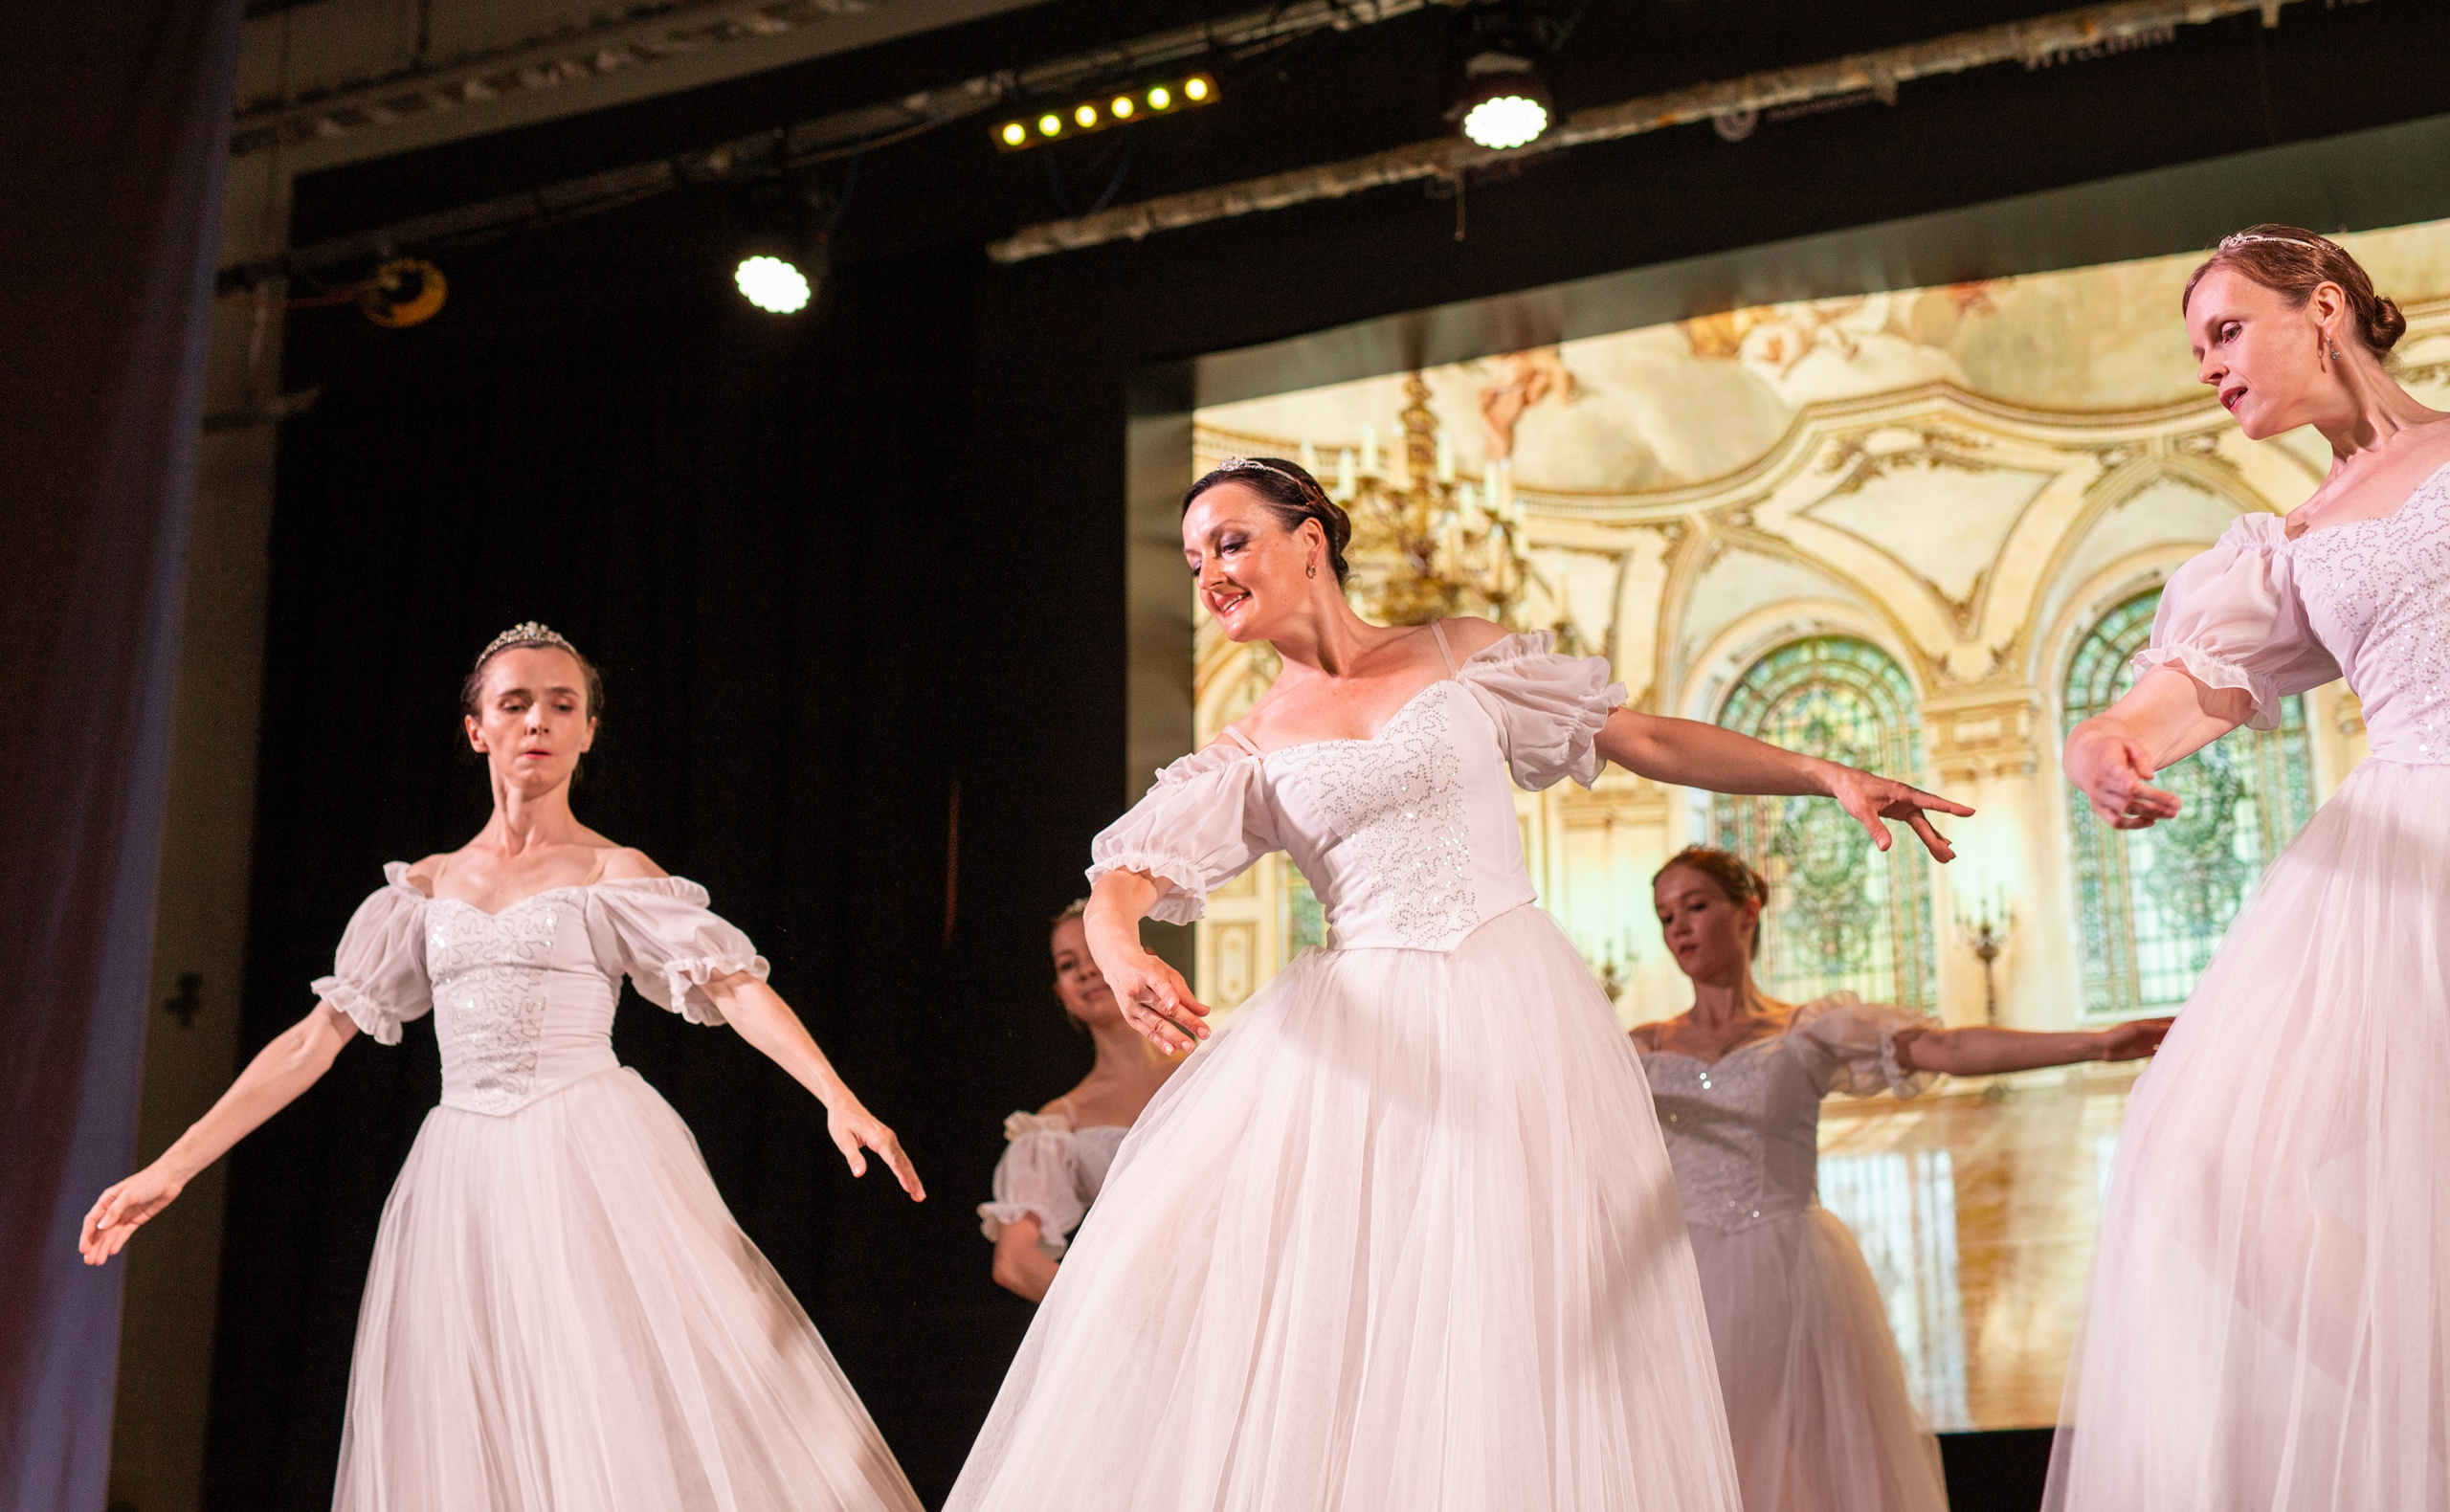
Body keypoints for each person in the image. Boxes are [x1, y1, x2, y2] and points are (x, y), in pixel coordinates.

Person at [946, 456, 1973, 1511]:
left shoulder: (1463, 652)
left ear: (1310, 540)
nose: (1209, 569)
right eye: (1195, 554)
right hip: (1363, 1044)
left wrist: (1825, 772)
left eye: (1231, 540)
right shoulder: (1249, 745)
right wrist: (1117, 944)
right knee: (1363, 1322)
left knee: (1516, 1315)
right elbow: (1123, 872)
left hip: (1510, 1014)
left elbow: (1650, 737)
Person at [79, 623, 927, 1512]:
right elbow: (311, 1041)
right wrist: (172, 1167)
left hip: (587, 1155)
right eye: (515, 704)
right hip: (463, 1176)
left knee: (606, 1403)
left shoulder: (611, 872)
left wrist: (837, 1095)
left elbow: (736, 987)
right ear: (477, 728)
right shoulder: (423, 890)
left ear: (589, 730)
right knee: (472, 1427)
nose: (539, 723)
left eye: (563, 706)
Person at [2047, 228, 2450, 1510]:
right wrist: (2103, 745)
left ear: (2323, 307)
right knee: (2203, 1159)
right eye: (2197, 351)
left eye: (2225, 332)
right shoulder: (2286, 540)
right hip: (2405, 850)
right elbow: (2182, 694)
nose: (2210, 368)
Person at [1637, 846, 2168, 1512]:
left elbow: (1947, 1049)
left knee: (1825, 1465)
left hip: (1794, 1274)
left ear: (1749, 910)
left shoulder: (1808, 1032)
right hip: (1688, 1286)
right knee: (1695, 1461)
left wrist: (2092, 1044)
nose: (1678, 928)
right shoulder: (1643, 1048)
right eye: (1664, 916)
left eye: (1695, 906)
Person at [980, 900, 1180, 1302]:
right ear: (1062, 994)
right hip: (1149, 1305)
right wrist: (1115, 1315)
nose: (1087, 971)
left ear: (1145, 959)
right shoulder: (1058, 1122)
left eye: (1097, 954)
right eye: (1069, 965)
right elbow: (1014, 1262)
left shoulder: (1216, 1067)